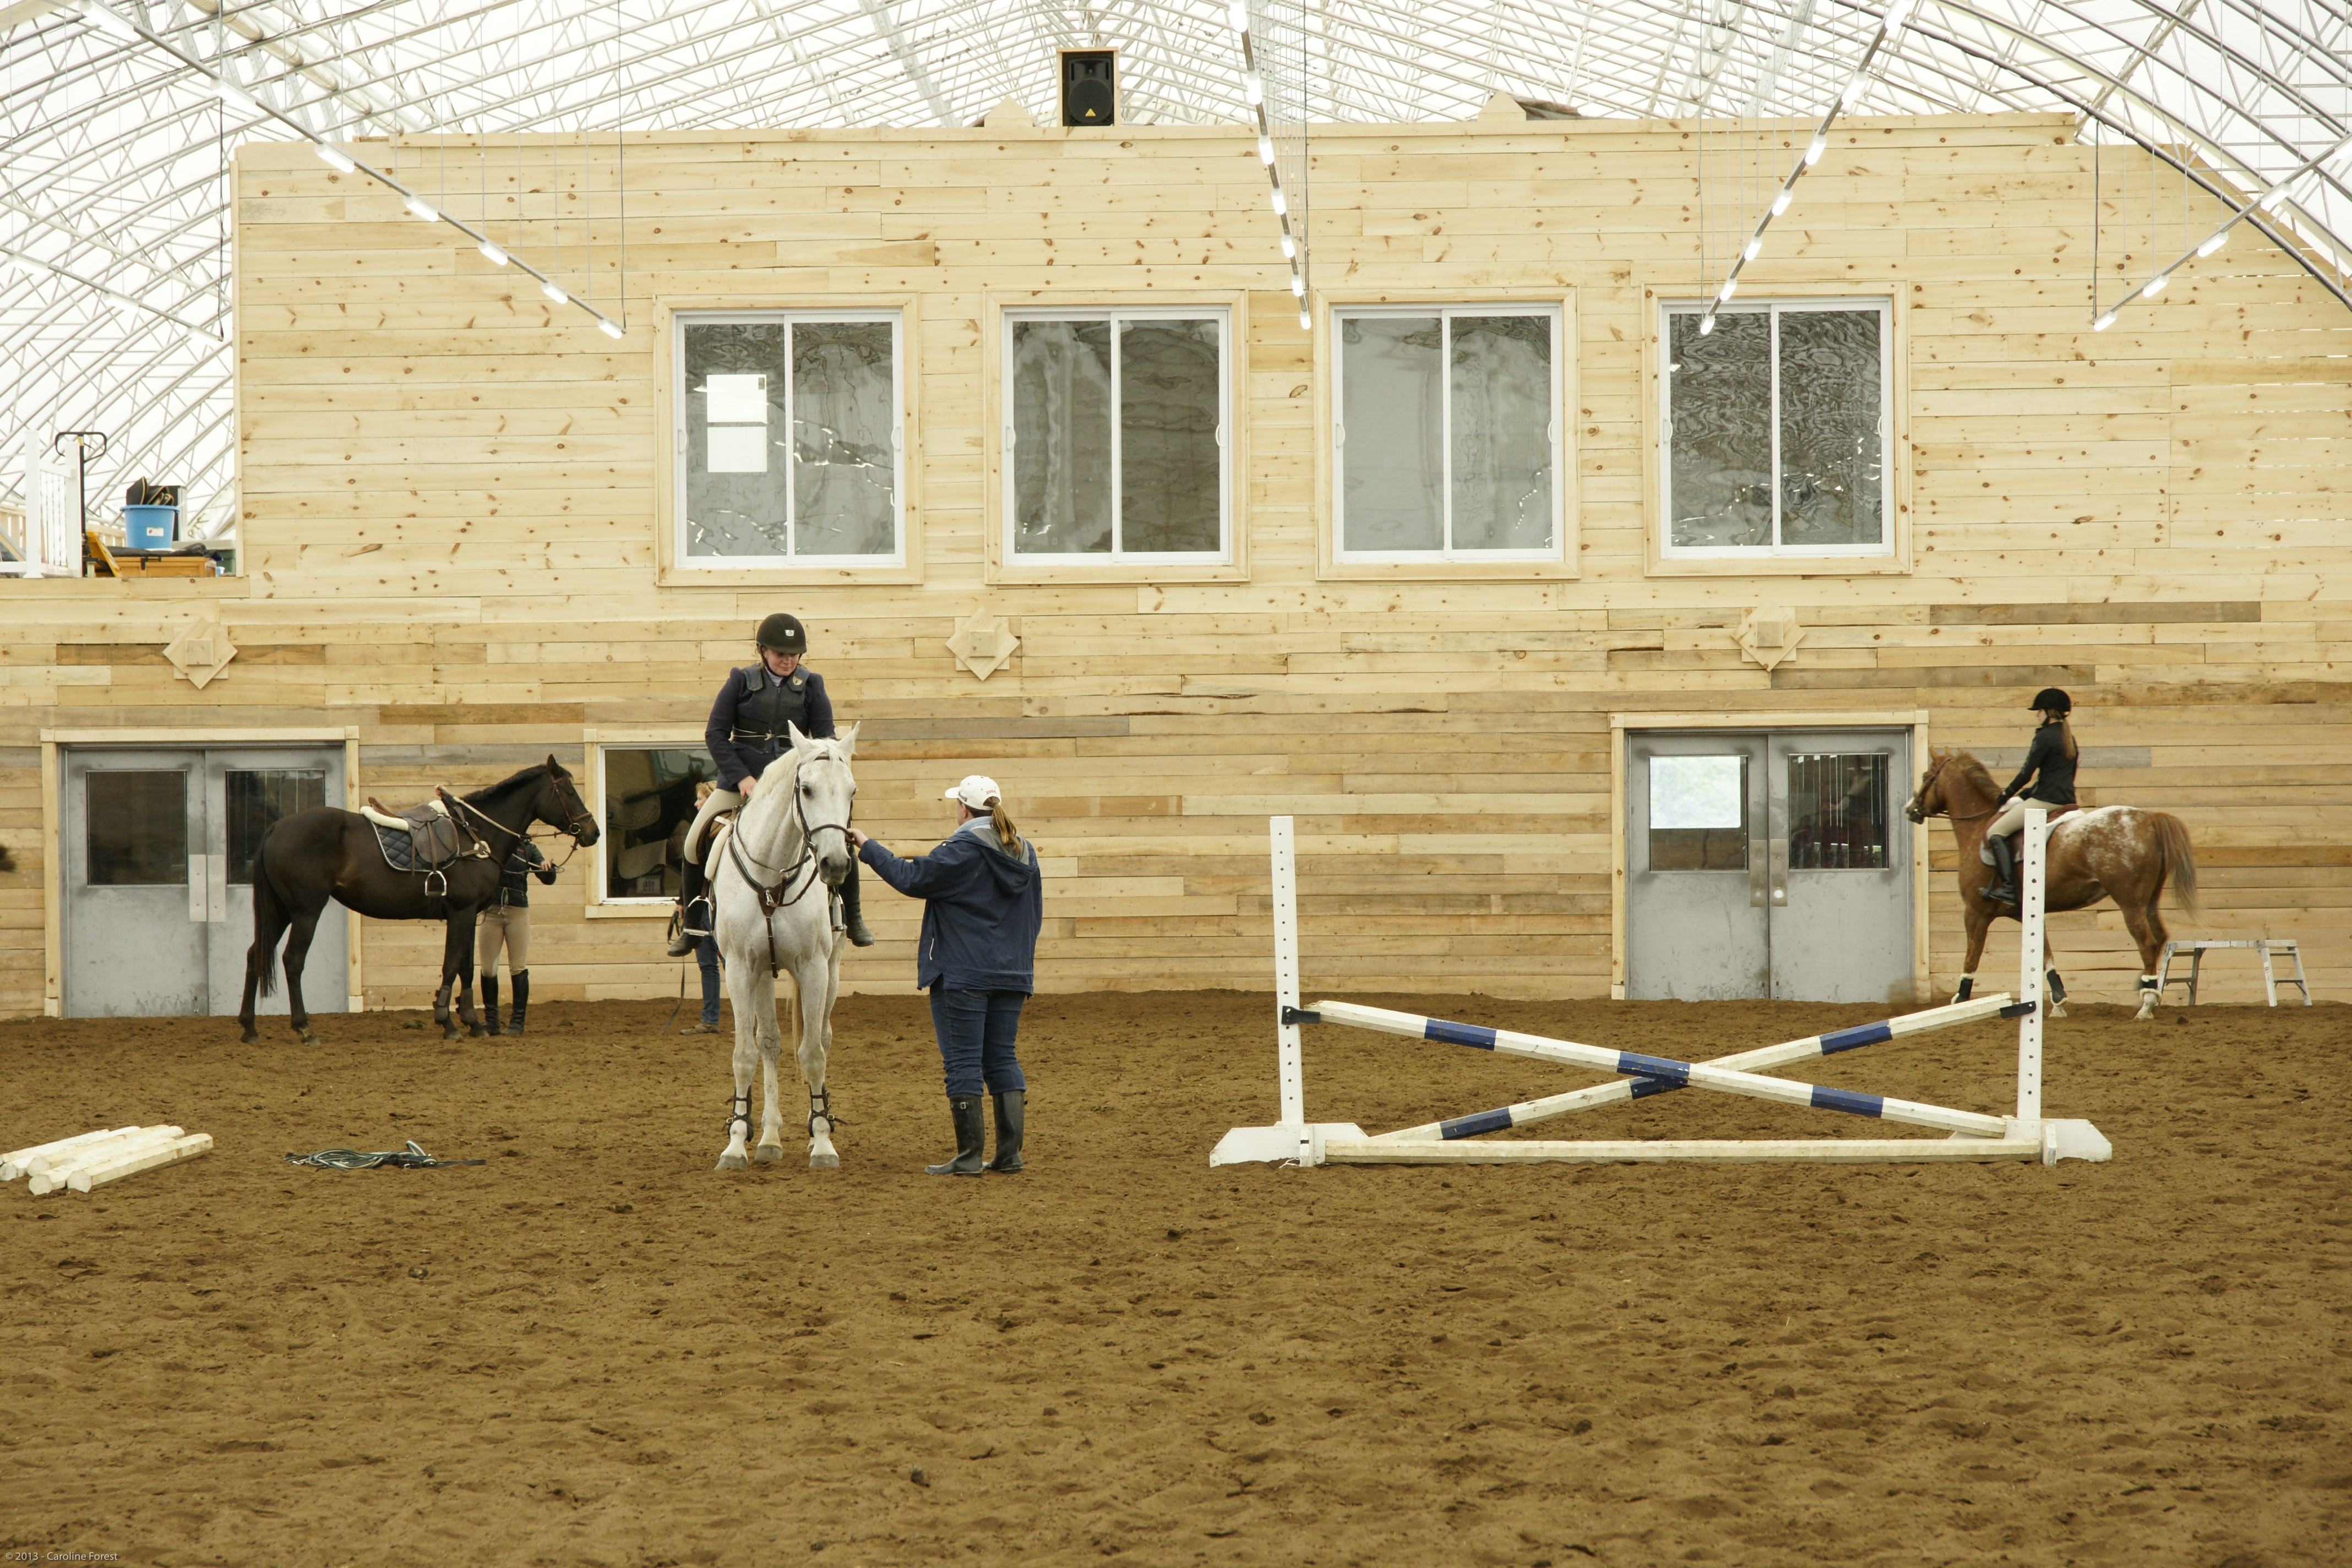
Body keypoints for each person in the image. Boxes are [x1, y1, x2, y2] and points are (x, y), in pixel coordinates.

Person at [850, 775, 1042, 1177]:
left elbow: (910, 879)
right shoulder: (1024, 851)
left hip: (963, 973)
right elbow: (1035, 915)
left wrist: (867, 847)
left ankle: (969, 1155)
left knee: (963, 1062)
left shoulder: (961, 849)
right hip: (1012, 973)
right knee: (1002, 1057)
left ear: (964, 810)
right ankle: (1009, 1155)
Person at [667, 612, 873, 956]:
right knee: (693, 842)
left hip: (793, 783)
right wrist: (742, 778)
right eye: (780, 654)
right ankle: (694, 923)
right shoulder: (740, 681)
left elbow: (826, 740)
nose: (787, 660)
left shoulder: (812, 685)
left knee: (839, 836)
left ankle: (853, 916)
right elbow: (715, 734)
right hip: (742, 780)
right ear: (762, 650)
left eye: (794, 655)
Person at [1983, 687, 2079, 906]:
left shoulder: (2044, 737)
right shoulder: (2069, 738)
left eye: (2039, 711)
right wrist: (2027, 794)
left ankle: (2009, 888)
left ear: (2049, 712)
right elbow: (2057, 776)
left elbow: (2026, 773)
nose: (2037, 715)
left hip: (2046, 801)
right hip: (2066, 800)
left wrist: (2007, 793)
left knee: (1995, 832)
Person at [478, 837, 558, 1035]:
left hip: (517, 912)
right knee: (488, 969)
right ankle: (492, 1021)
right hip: (492, 912)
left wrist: (548, 869)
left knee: (518, 966)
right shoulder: (491, 844)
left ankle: (517, 1023)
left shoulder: (528, 849)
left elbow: (548, 878)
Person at [679, 782, 726, 1035]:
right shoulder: (698, 835)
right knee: (708, 965)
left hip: (719, 906)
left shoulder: (722, 833)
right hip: (701, 905)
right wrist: (682, 902)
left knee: (732, 963)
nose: (697, 804)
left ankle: (752, 1020)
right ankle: (710, 1020)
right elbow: (690, 870)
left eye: (700, 799)